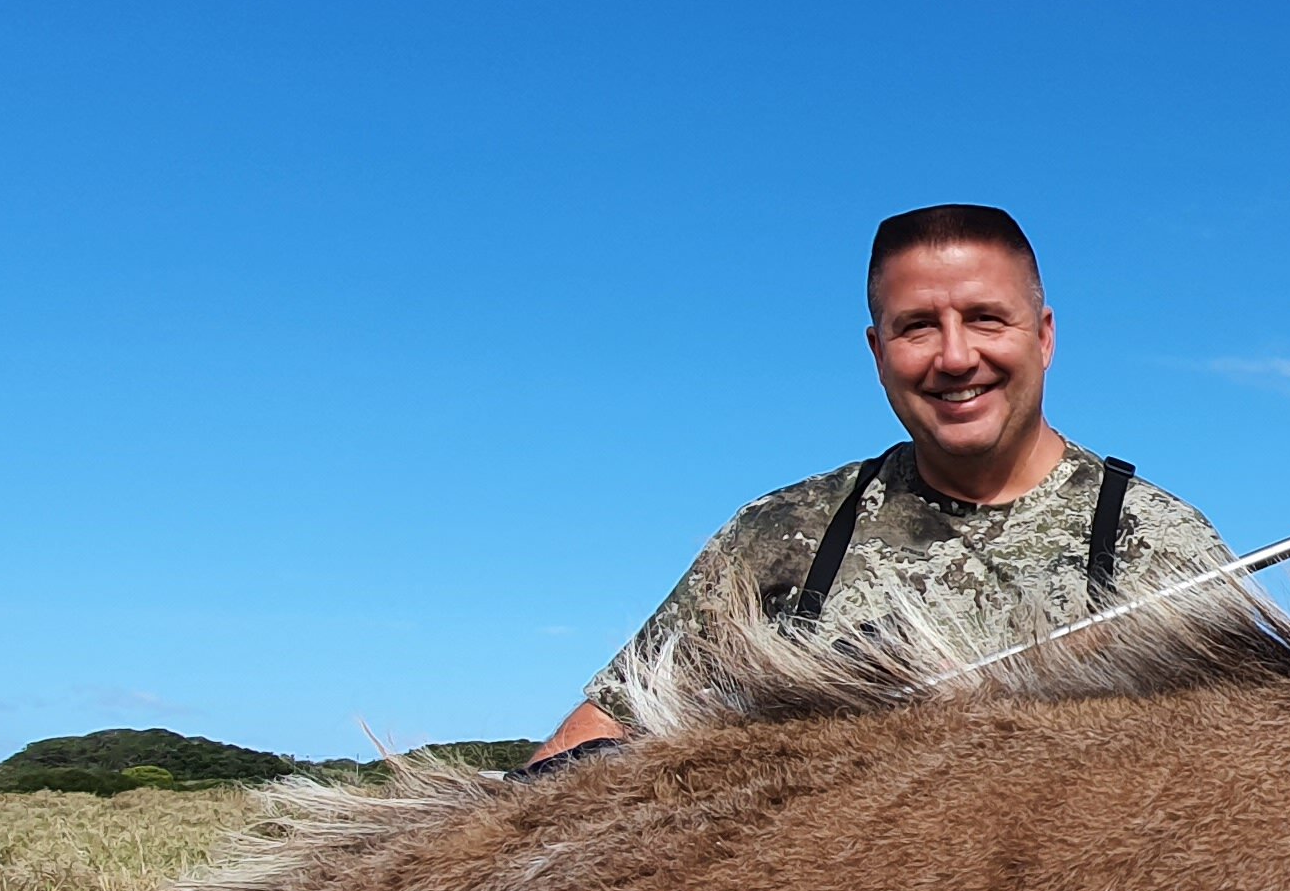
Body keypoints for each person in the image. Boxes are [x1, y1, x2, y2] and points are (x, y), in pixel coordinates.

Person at [526, 204, 1232, 765]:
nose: (956, 357)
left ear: (1043, 337)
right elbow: (610, 726)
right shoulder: (778, 536)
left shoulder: (1162, 546)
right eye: (918, 327)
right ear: (878, 352)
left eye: (986, 318)